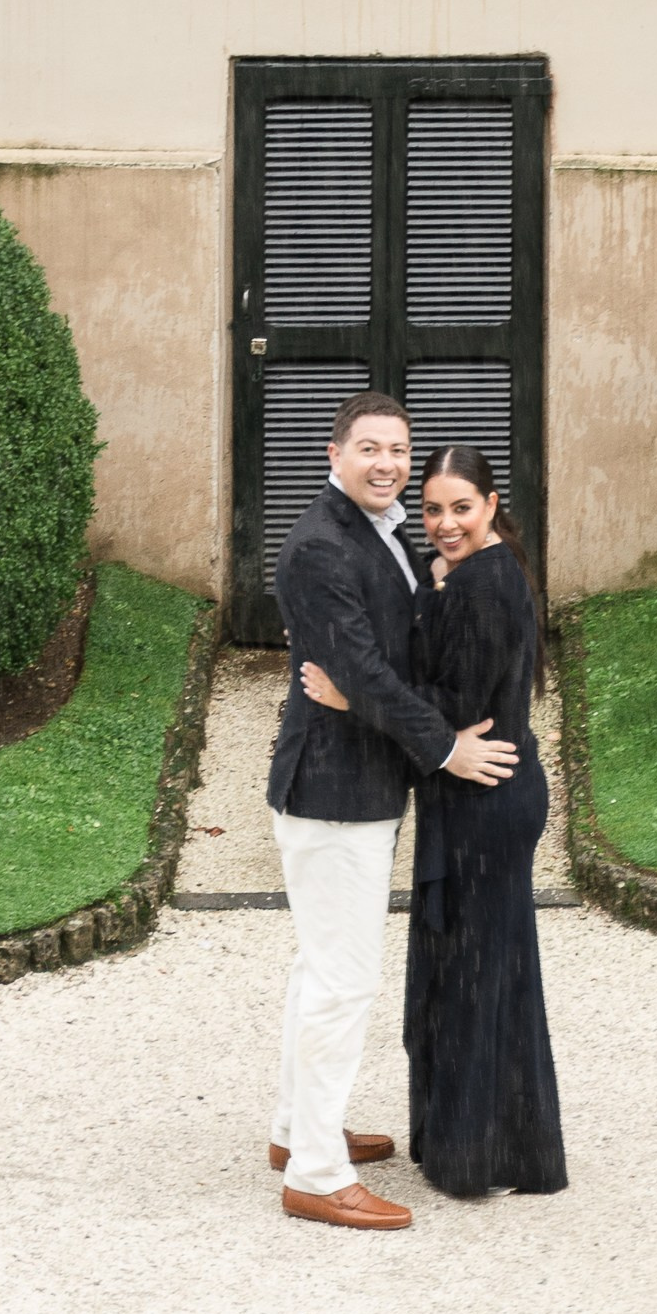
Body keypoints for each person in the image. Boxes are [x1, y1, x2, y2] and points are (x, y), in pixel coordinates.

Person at [266, 391, 523, 1233]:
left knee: (319, 970)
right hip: (334, 792)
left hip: (363, 784)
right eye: (369, 447)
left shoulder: (388, 534)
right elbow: (368, 674)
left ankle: (294, 1129)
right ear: (332, 454)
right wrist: (449, 748)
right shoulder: (317, 547)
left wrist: (441, 582)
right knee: (343, 980)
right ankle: (315, 1172)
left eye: (398, 450)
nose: (387, 464)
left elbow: (393, 649)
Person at [302, 440, 566, 1201]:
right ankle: (499, 1149)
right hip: (480, 797)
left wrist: (354, 698)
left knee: (475, 978)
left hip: (487, 799)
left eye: (460, 508)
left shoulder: (486, 585)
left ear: (490, 506)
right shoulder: (471, 574)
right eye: (432, 510)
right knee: (483, 974)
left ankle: (476, 1157)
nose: (445, 523)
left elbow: (455, 704)